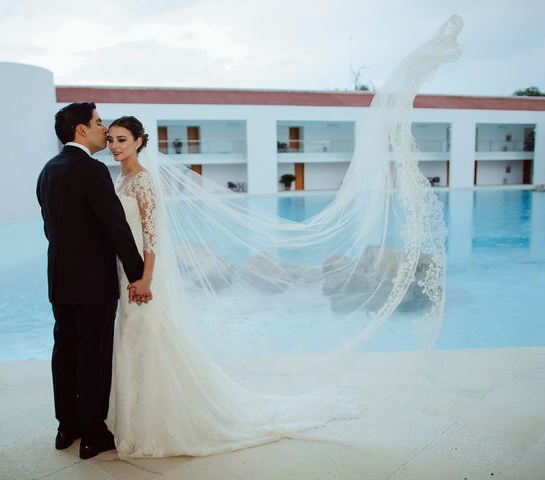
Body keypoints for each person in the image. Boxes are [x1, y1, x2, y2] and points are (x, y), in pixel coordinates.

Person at [106, 116, 362, 458]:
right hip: (124, 271)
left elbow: (152, 234)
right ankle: (132, 415)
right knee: (130, 334)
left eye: (122, 139)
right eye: (110, 139)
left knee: (147, 331)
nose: (114, 146)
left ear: (139, 141)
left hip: (141, 273)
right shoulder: (119, 179)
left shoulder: (143, 181)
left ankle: (160, 417)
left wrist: (147, 276)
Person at [36, 102, 151, 460]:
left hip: (60, 279)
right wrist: (138, 275)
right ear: (81, 130)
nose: (104, 130)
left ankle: (65, 426)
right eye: (99, 123)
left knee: (64, 352)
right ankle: (93, 433)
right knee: (94, 356)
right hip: (94, 282)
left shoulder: (48, 170)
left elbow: (50, 228)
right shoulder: (93, 170)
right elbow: (115, 227)